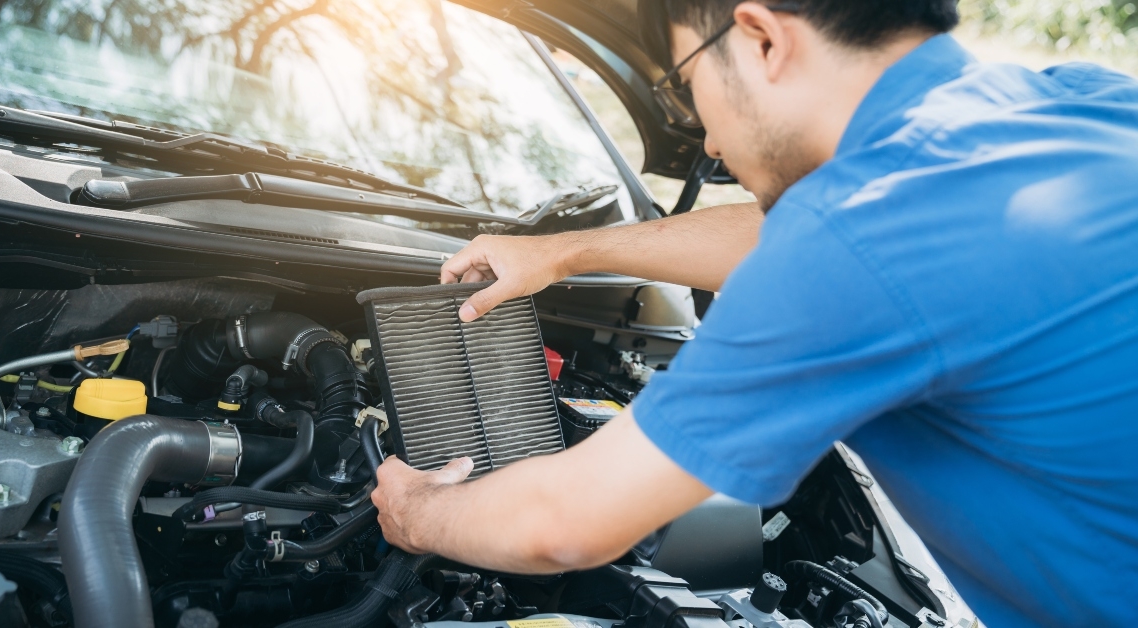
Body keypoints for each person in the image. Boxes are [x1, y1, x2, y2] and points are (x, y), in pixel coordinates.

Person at [369, 0, 1138, 625]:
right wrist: (567, 251)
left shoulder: (859, 239)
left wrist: (418, 510)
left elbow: (567, 522)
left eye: (683, 84)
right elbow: (792, 237)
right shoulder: (1084, 104)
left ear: (762, 37)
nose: (702, 132)